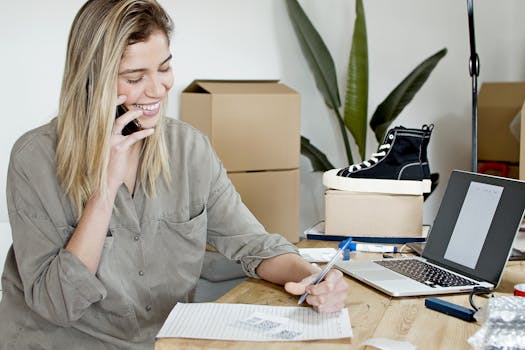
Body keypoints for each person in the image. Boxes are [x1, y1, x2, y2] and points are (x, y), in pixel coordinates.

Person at [0, 0, 348, 349]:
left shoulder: (189, 149)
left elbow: (253, 244)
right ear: (93, 80)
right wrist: (104, 191)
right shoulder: (34, 159)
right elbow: (56, 304)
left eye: (164, 68)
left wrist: (315, 278)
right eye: (135, 78)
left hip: (162, 342)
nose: (158, 89)